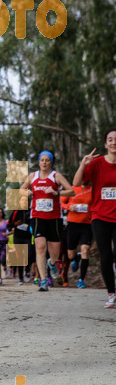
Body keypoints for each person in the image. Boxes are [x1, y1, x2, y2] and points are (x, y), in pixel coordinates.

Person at [20, 151, 74, 292]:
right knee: (40, 246)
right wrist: (27, 192)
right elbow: (21, 190)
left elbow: (71, 191)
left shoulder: (56, 176)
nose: (44, 162)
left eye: (47, 160)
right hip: (37, 217)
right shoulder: (32, 176)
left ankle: (51, 264)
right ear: (39, 162)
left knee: (54, 252)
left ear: (51, 162)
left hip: (54, 218)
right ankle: (43, 280)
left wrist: (57, 193)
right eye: (42, 160)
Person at [73, 130, 116, 308]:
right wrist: (83, 164)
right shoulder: (97, 164)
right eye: (110, 140)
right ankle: (111, 294)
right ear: (106, 144)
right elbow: (76, 183)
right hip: (100, 217)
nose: (114, 142)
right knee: (106, 256)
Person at [60, 184, 93, 288]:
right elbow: (60, 203)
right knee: (70, 255)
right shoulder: (71, 189)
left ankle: (81, 280)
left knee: (85, 250)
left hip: (87, 225)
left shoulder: (92, 190)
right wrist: (69, 207)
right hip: (72, 224)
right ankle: (76, 257)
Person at [8, 207, 31, 285]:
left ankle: (27, 271)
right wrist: (15, 224)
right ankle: (21, 278)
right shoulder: (16, 212)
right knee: (20, 257)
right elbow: (9, 224)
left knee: (29, 254)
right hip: (18, 237)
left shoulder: (30, 211)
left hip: (27, 237)